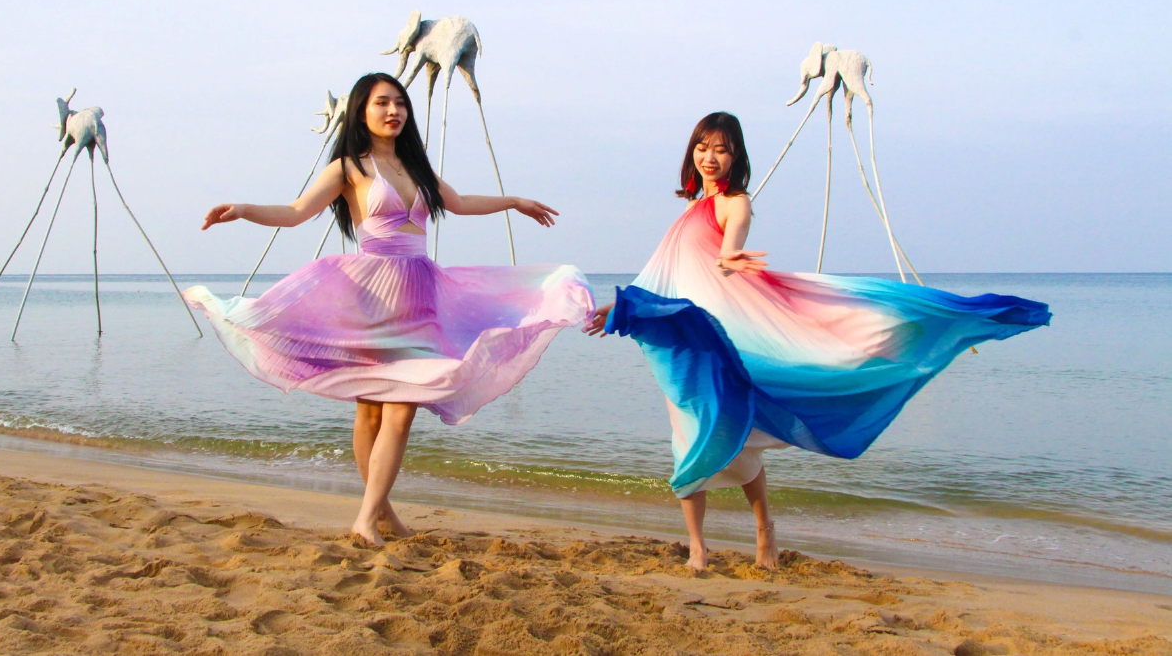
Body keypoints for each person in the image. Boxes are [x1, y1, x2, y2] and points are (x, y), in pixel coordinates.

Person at [584, 112, 1050, 571]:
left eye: (721, 149)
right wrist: (616, 307)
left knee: (738, 437)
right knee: (688, 440)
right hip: (688, 346)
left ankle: (765, 531)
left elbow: (728, 250)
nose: (710, 157)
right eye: (703, 147)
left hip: (720, 341)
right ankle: (697, 547)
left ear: (736, 156)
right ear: (692, 151)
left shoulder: (734, 203)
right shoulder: (690, 209)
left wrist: (731, 258)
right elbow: (660, 276)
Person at [186, 73, 592, 545]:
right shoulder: (348, 168)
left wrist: (514, 201)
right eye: (382, 103)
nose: (393, 111)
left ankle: (368, 516)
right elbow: (296, 212)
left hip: (420, 297)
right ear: (362, 110)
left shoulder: (415, 167)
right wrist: (242, 208)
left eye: (399, 103)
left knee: (402, 409)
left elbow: (458, 202)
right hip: (372, 297)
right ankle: (379, 515)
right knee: (371, 415)